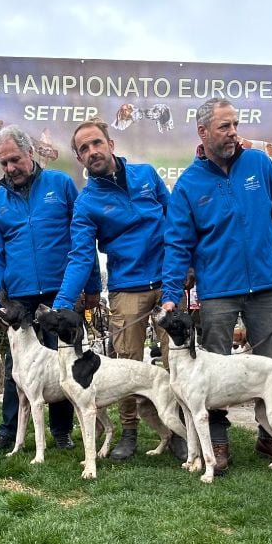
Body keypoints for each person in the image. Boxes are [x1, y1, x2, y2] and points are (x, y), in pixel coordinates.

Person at [160, 98, 272, 474]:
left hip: (267, 285)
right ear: (203, 133)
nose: (234, 132)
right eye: (225, 126)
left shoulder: (259, 164)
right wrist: (171, 297)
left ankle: (270, 436)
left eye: (235, 124)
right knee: (212, 370)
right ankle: (217, 443)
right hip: (217, 289)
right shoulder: (189, 184)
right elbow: (177, 244)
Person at [52, 119, 173, 461]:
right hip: (126, 289)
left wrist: (186, 267)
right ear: (79, 158)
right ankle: (130, 432)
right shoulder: (86, 203)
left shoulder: (147, 174)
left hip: (168, 284)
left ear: (111, 143)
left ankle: (181, 430)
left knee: (174, 361)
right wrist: (62, 304)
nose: (92, 152)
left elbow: (176, 219)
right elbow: (79, 256)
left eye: (96, 144)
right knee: (127, 365)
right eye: (84, 149)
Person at [0, 125, 97, 454]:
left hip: (60, 292)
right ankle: (7, 432)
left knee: (63, 361)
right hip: (19, 299)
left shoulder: (60, 184)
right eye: (3, 163)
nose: (10, 168)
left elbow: (82, 239)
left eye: (15, 159)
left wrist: (91, 286)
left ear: (30, 152)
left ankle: (62, 431)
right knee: (15, 367)